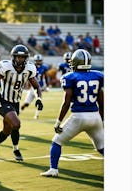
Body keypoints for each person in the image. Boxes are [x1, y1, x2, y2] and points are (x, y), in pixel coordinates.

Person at [41, 49, 104, 177]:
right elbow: (102, 102)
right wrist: (102, 120)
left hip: (79, 117)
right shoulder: (98, 75)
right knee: (102, 147)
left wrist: (58, 122)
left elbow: (66, 102)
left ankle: (53, 169)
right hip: (95, 116)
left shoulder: (71, 77)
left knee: (57, 141)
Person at [0, 44, 43, 161]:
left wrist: (39, 99)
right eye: (18, 57)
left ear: (26, 58)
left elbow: (36, 86)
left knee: (7, 131)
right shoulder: (5, 67)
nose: (20, 60)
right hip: (3, 101)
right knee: (16, 124)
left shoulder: (30, 68)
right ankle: (16, 149)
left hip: (16, 103)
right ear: (13, 57)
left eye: (23, 57)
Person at [21, 54, 49, 119]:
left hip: (39, 87)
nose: (38, 62)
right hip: (32, 88)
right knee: (26, 103)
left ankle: (36, 115)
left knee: (39, 101)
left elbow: (46, 77)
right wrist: (27, 84)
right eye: (37, 61)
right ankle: (19, 110)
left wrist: (47, 86)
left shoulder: (44, 67)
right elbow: (29, 77)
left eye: (39, 61)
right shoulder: (32, 67)